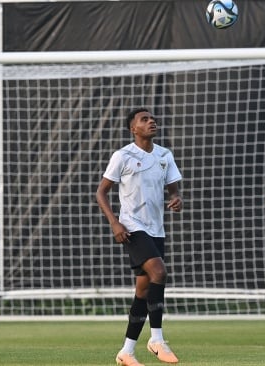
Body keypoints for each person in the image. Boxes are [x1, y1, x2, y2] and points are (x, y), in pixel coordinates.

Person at [96, 108, 183, 366]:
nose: (151, 121)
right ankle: (157, 338)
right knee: (159, 272)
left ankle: (126, 351)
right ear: (133, 128)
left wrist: (176, 200)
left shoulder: (164, 155)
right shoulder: (123, 155)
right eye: (144, 120)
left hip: (157, 229)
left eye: (152, 118)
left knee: (143, 291)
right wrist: (115, 223)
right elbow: (101, 192)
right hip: (132, 226)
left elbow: (174, 190)